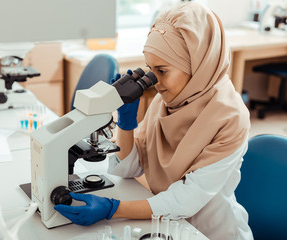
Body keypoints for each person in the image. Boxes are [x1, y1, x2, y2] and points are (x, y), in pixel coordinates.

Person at [54, 2, 253, 239]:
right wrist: (126, 123)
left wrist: (113, 209)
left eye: (162, 70)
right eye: (150, 69)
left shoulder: (231, 117)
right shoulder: (167, 101)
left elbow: (185, 200)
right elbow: (130, 168)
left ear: (197, 65)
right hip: (163, 222)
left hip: (209, 231)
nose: (154, 82)